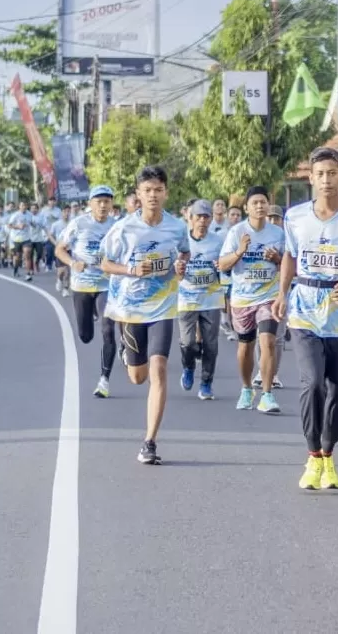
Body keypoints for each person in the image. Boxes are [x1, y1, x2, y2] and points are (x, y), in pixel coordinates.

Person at [273, 147, 338, 490]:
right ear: (312, 178)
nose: (327, 179)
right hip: (304, 311)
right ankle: (312, 455)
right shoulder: (295, 217)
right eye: (320, 174)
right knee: (312, 383)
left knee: (336, 391)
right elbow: (290, 256)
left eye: (333, 173)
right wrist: (281, 294)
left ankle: (329, 455)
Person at [99, 166, 189, 465]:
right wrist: (131, 270)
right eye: (147, 190)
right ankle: (127, 351)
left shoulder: (176, 227)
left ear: (166, 192)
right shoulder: (123, 229)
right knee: (137, 378)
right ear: (138, 194)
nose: (153, 195)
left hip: (163, 306)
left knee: (159, 369)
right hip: (130, 308)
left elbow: (184, 253)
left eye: (158, 190)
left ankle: (149, 441)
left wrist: (180, 266)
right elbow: (105, 264)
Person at [219, 186, 285, 413]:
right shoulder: (236, 232)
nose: (259, 206)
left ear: (268, 206)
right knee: (245, 347)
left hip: (268, 296)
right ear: (246, 207)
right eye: (254, 202)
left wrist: (277, 258)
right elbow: (222, 264)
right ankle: (247, 388)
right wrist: (239, 251)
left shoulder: (278, 233)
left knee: (267, 342)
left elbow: (288, 265)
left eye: (263, 202)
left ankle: (267, 395)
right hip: (242, 299)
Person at [57, 187, 118, 398]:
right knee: (85, 336)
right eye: (99, 201)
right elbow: (60, 249)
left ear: (111, 205)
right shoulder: (78, 224)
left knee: (108, 328)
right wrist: (73, 263)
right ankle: (90, 313)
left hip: (106, 285)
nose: (103, 205)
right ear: (91, 204)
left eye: (107, 201)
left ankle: (104, 380)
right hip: (82, 285)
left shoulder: (116, 226)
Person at [177, 199, 224, 401]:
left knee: (211, 345)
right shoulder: (181, 241)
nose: (202, 222)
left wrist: (221, 266)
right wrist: (177, 268)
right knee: (188, 343)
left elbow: (226, 266)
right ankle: (188, 367)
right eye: (198, 217)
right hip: (186, 298)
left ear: (211, 219)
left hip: (211, 298)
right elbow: (171, 267)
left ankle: (206, 382)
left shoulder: (218, 241)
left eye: (206, 217)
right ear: (190, 217)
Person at [251, 204, 286, 390]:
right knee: (261, 335)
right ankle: (262, 371)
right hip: (259, 292)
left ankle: (273, 374)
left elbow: (293, 265)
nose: (273, 221)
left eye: (276, 218)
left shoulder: (285, 238)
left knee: (277, 336)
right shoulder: (258, 236)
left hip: (281, 291)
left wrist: (278, 259)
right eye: (270, 218)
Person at [49, 206, 73, 298]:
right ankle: (59, 279)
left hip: (70, 249)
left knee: (68, 270)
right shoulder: (56, 224)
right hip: (60, 249)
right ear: (62, 213)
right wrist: (55, 243)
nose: (67, 214)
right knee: (61, 271)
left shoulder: (73, 223)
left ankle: (66, 289)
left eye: (68, 212)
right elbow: (50, 235)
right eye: (65, 212)